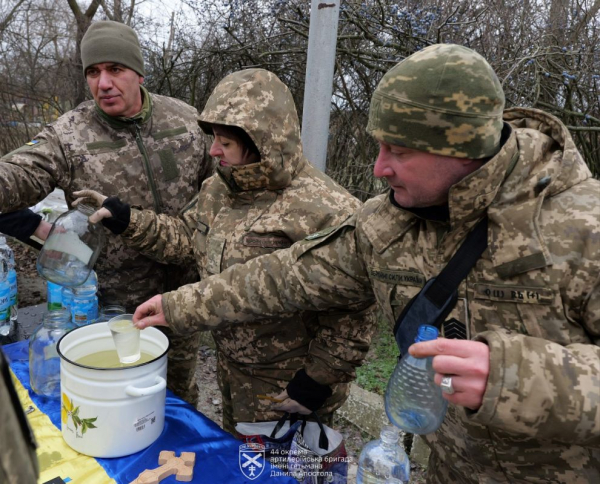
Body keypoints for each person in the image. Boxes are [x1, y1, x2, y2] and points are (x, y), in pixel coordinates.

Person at [132, 44, 600, 483]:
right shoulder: (387, 222)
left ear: (462, 147)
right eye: (378, 146)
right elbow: (284, 275)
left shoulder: (584, 227)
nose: (379, 168)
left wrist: (514, 375)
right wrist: (178, 306)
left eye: (399, 150)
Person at [73, 69, 377, 433]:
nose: (214, 151)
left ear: (262, 142)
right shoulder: (221, 187)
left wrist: (317, 380)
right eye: (213, 139)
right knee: (238, 462)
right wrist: (127, 220)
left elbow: (355, 311)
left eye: (226, 143)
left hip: (286, 386)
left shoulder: (326, 208)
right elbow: (186, 238)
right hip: (231, 369)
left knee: (286, 473)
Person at [0, 21, 213, 404]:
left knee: (179, 398)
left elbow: (215, 195)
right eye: (93, 73)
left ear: (139, 73)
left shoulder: (185, 121)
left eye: (115, 69)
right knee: (119, 397)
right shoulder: (69, 135)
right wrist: (45, 232)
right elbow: (19, 174)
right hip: (112, 308)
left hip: (182, 297)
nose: (104, 83)